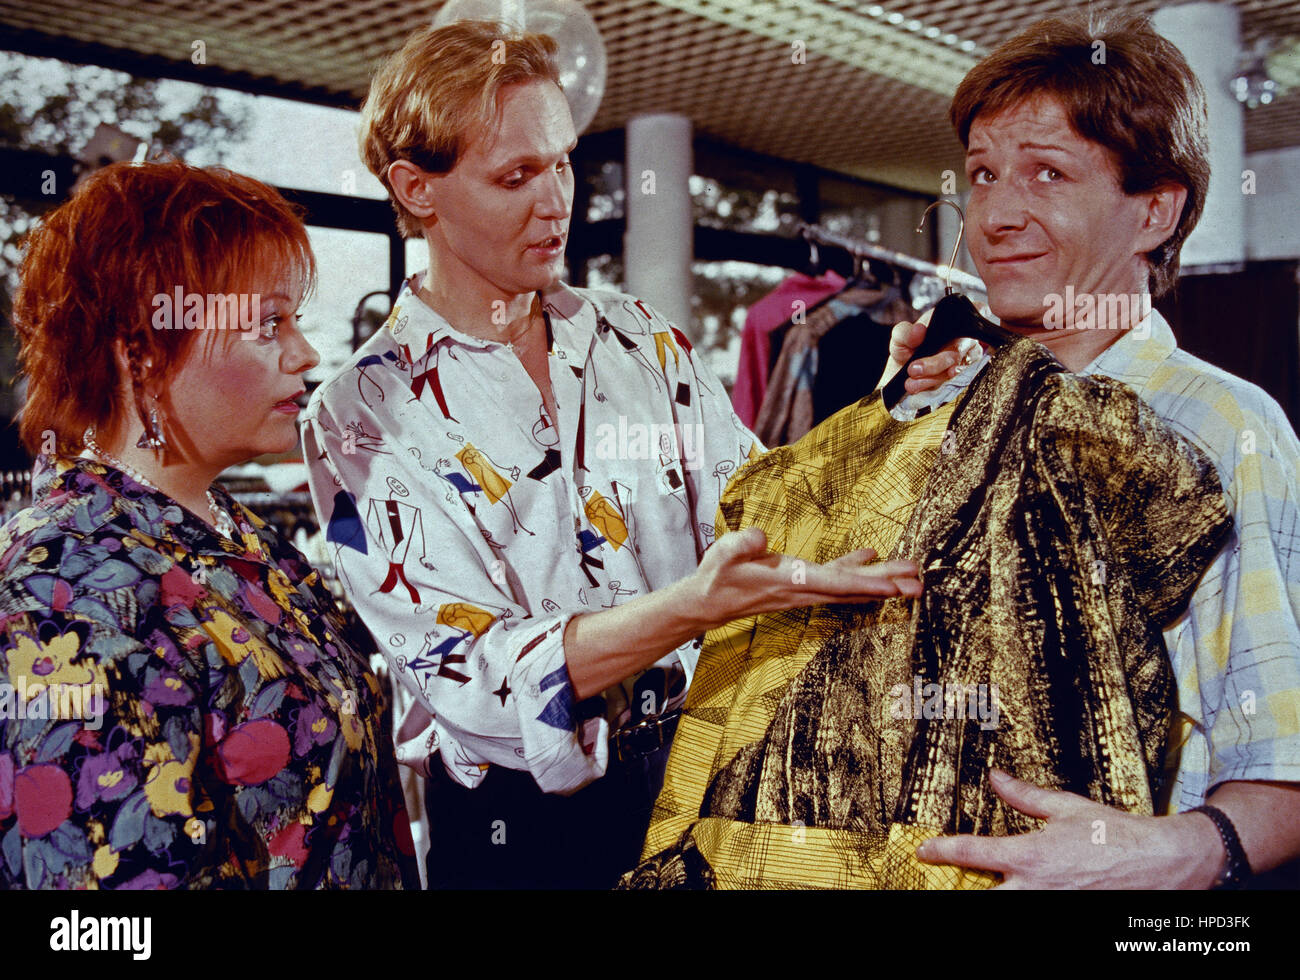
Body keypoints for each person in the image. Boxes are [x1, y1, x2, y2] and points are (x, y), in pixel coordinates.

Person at [300, 20, 922, 889]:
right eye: (516, 175)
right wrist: (689, 610)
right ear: (418, 189)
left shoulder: (641, 339)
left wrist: (891, 407)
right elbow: (475, 675)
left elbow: (764, 503)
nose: (555, 199)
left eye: (562, 161)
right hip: (523, 831)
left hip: (695, 773)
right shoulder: (360, 415)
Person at [882, 14, 1300, 887]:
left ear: (1155, 210)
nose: (994, 215)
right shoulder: (932, 409)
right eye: (983, 174)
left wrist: (1161, 853)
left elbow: (1284, 767)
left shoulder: (1225, 429)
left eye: (1048, 172)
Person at [0, 159, 419, 889]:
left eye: (296, 319)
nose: (306, 353)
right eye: (268, 324)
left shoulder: (250, 543)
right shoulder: (54, 585)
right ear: (143, 352)